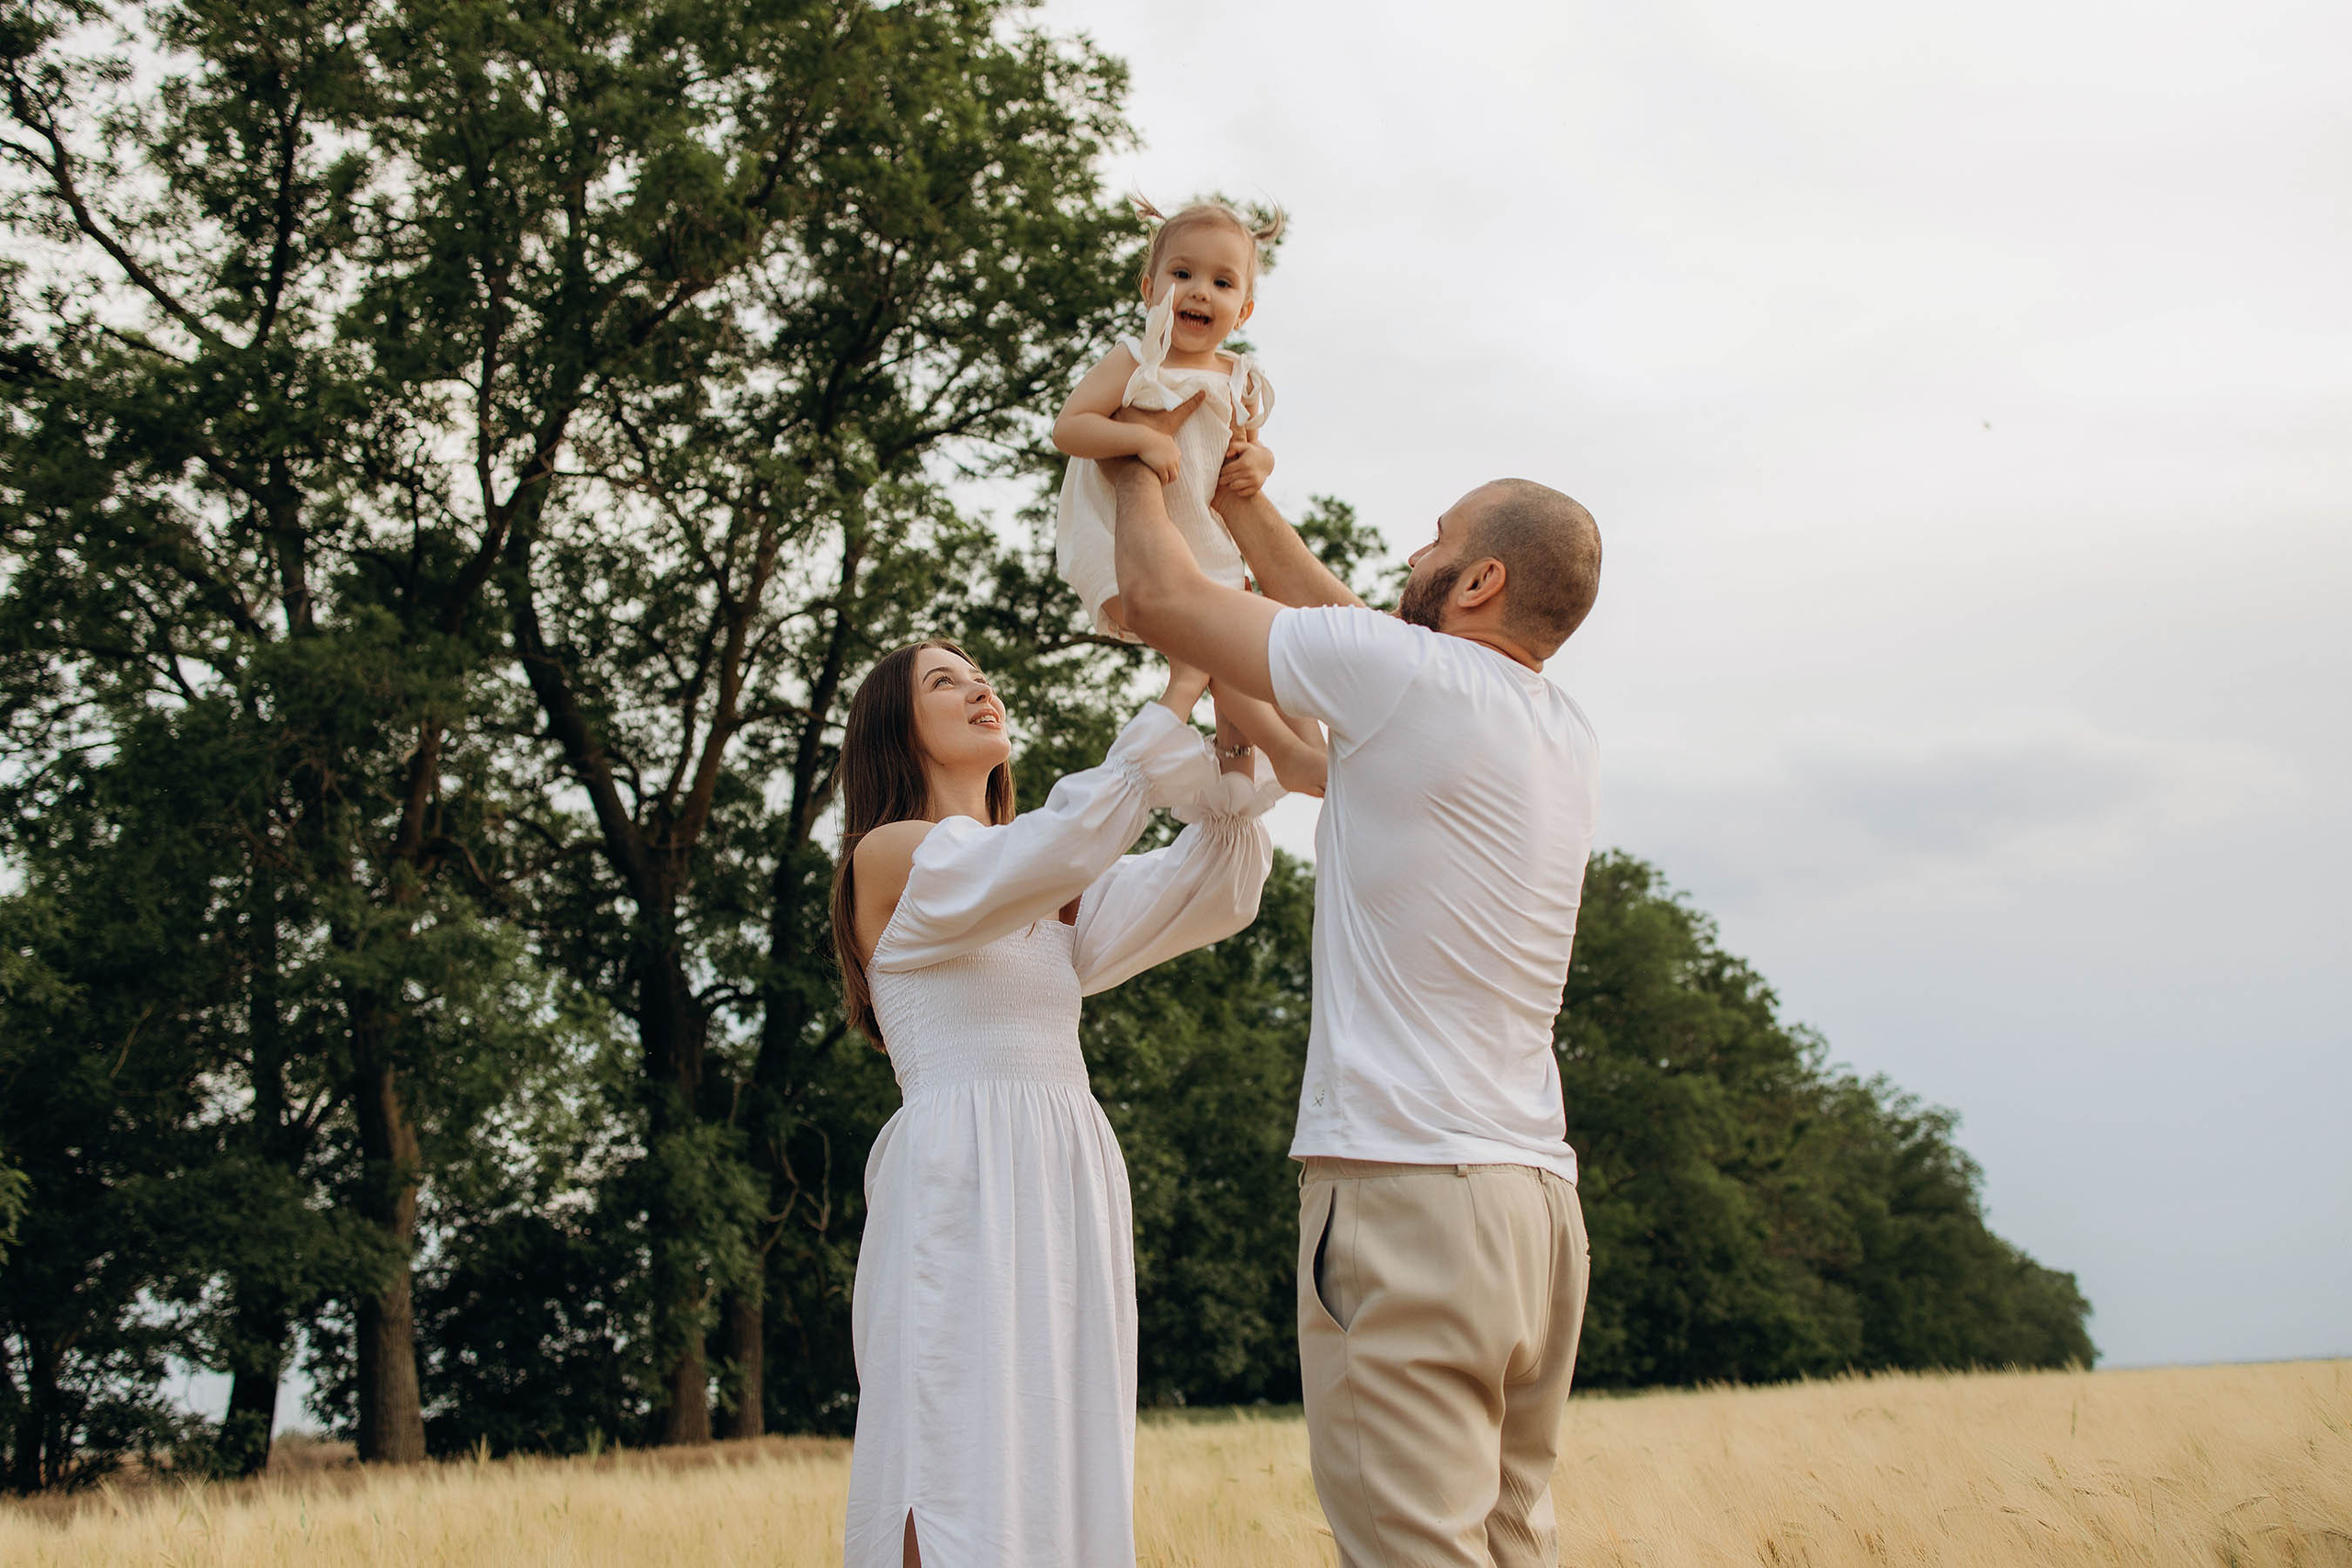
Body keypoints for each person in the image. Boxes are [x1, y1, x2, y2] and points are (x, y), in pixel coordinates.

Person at [1103, 408, 1606, 1568]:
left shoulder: (1407, 677)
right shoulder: (1555, 729)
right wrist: (1238, 506)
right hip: (1533, 1210)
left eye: (1433, 546)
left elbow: (1172, 604)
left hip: (1409, 1194)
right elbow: (1318, 710)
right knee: (1505, 1546)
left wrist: (1139, 462)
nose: (1408, 563)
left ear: (1479, 579)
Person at [833, 637, 1281, 1568]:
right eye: (942, 682)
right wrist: (1182, 679)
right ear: (892, 729)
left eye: (977, 672)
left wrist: (1232, 742)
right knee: (950, 1451)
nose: (977, 687)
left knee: (1054, 1456)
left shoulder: (1041, 887)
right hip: (961, 1175)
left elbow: (1211, 888)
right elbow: (1061, 844)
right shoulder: (894, 855)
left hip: (1062, 1173)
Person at [1051, 197, 1283, 642]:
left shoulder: (1240, 376)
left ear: (1244, 311)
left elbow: (1249, 449)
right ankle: (1175, 702)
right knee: (1196, 640)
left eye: (1222, 282)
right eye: (1182, 274)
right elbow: (1069, 428)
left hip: (1207, 541)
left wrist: (1262, 462)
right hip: (1129, 538)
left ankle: (1183, 706)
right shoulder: (1135, 362)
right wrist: (1139, 437)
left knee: (1233, 659)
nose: (1200, 290)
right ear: (1149, 290)